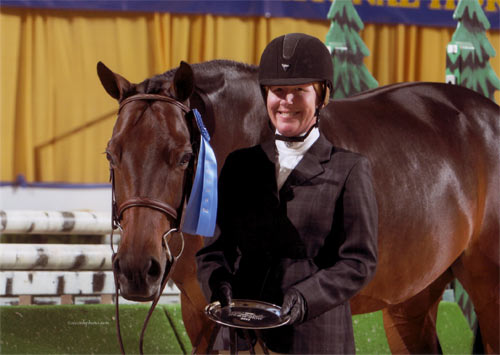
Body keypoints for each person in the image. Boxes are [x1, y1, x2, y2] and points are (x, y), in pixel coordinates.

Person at [196, 33, 378, 354]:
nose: (287, 101)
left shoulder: (349, 169)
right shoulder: (240, 165)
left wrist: (305, 297)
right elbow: (213, 252)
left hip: (315, 336)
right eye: (278, 91)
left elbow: (358, 263)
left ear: (322, 97)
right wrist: (217, 284)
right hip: (243, 337)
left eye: (299, 91)